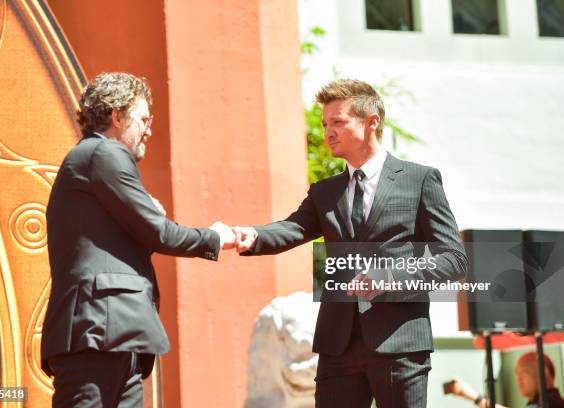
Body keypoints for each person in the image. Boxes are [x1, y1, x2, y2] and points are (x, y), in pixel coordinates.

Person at [234, 78, 468, 407]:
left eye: (338, 122)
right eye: (325, 123)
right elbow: (293, 228)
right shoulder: (324, 191)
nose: (328, 131)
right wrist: (252, 235)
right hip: (337, 345)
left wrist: (390, 279)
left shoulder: (420, 180)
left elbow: (453, 258)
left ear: (372, 122)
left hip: (399, 343)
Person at [40, 72, 236, 407]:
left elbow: (134, 232)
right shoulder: (104, 154)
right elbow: (159, 233)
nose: (150, 128)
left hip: (114, 335)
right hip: (96, 333)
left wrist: (149, 217)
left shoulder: (93, 160)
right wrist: (216, 237)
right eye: (144, 118)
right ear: (117, 116)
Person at [449, 351, 564, 408]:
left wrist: (475, 397)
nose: (518, 379)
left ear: (544, 373)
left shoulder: (551, 402)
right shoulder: (540, 401)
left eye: (524, 372)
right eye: (516, 374)